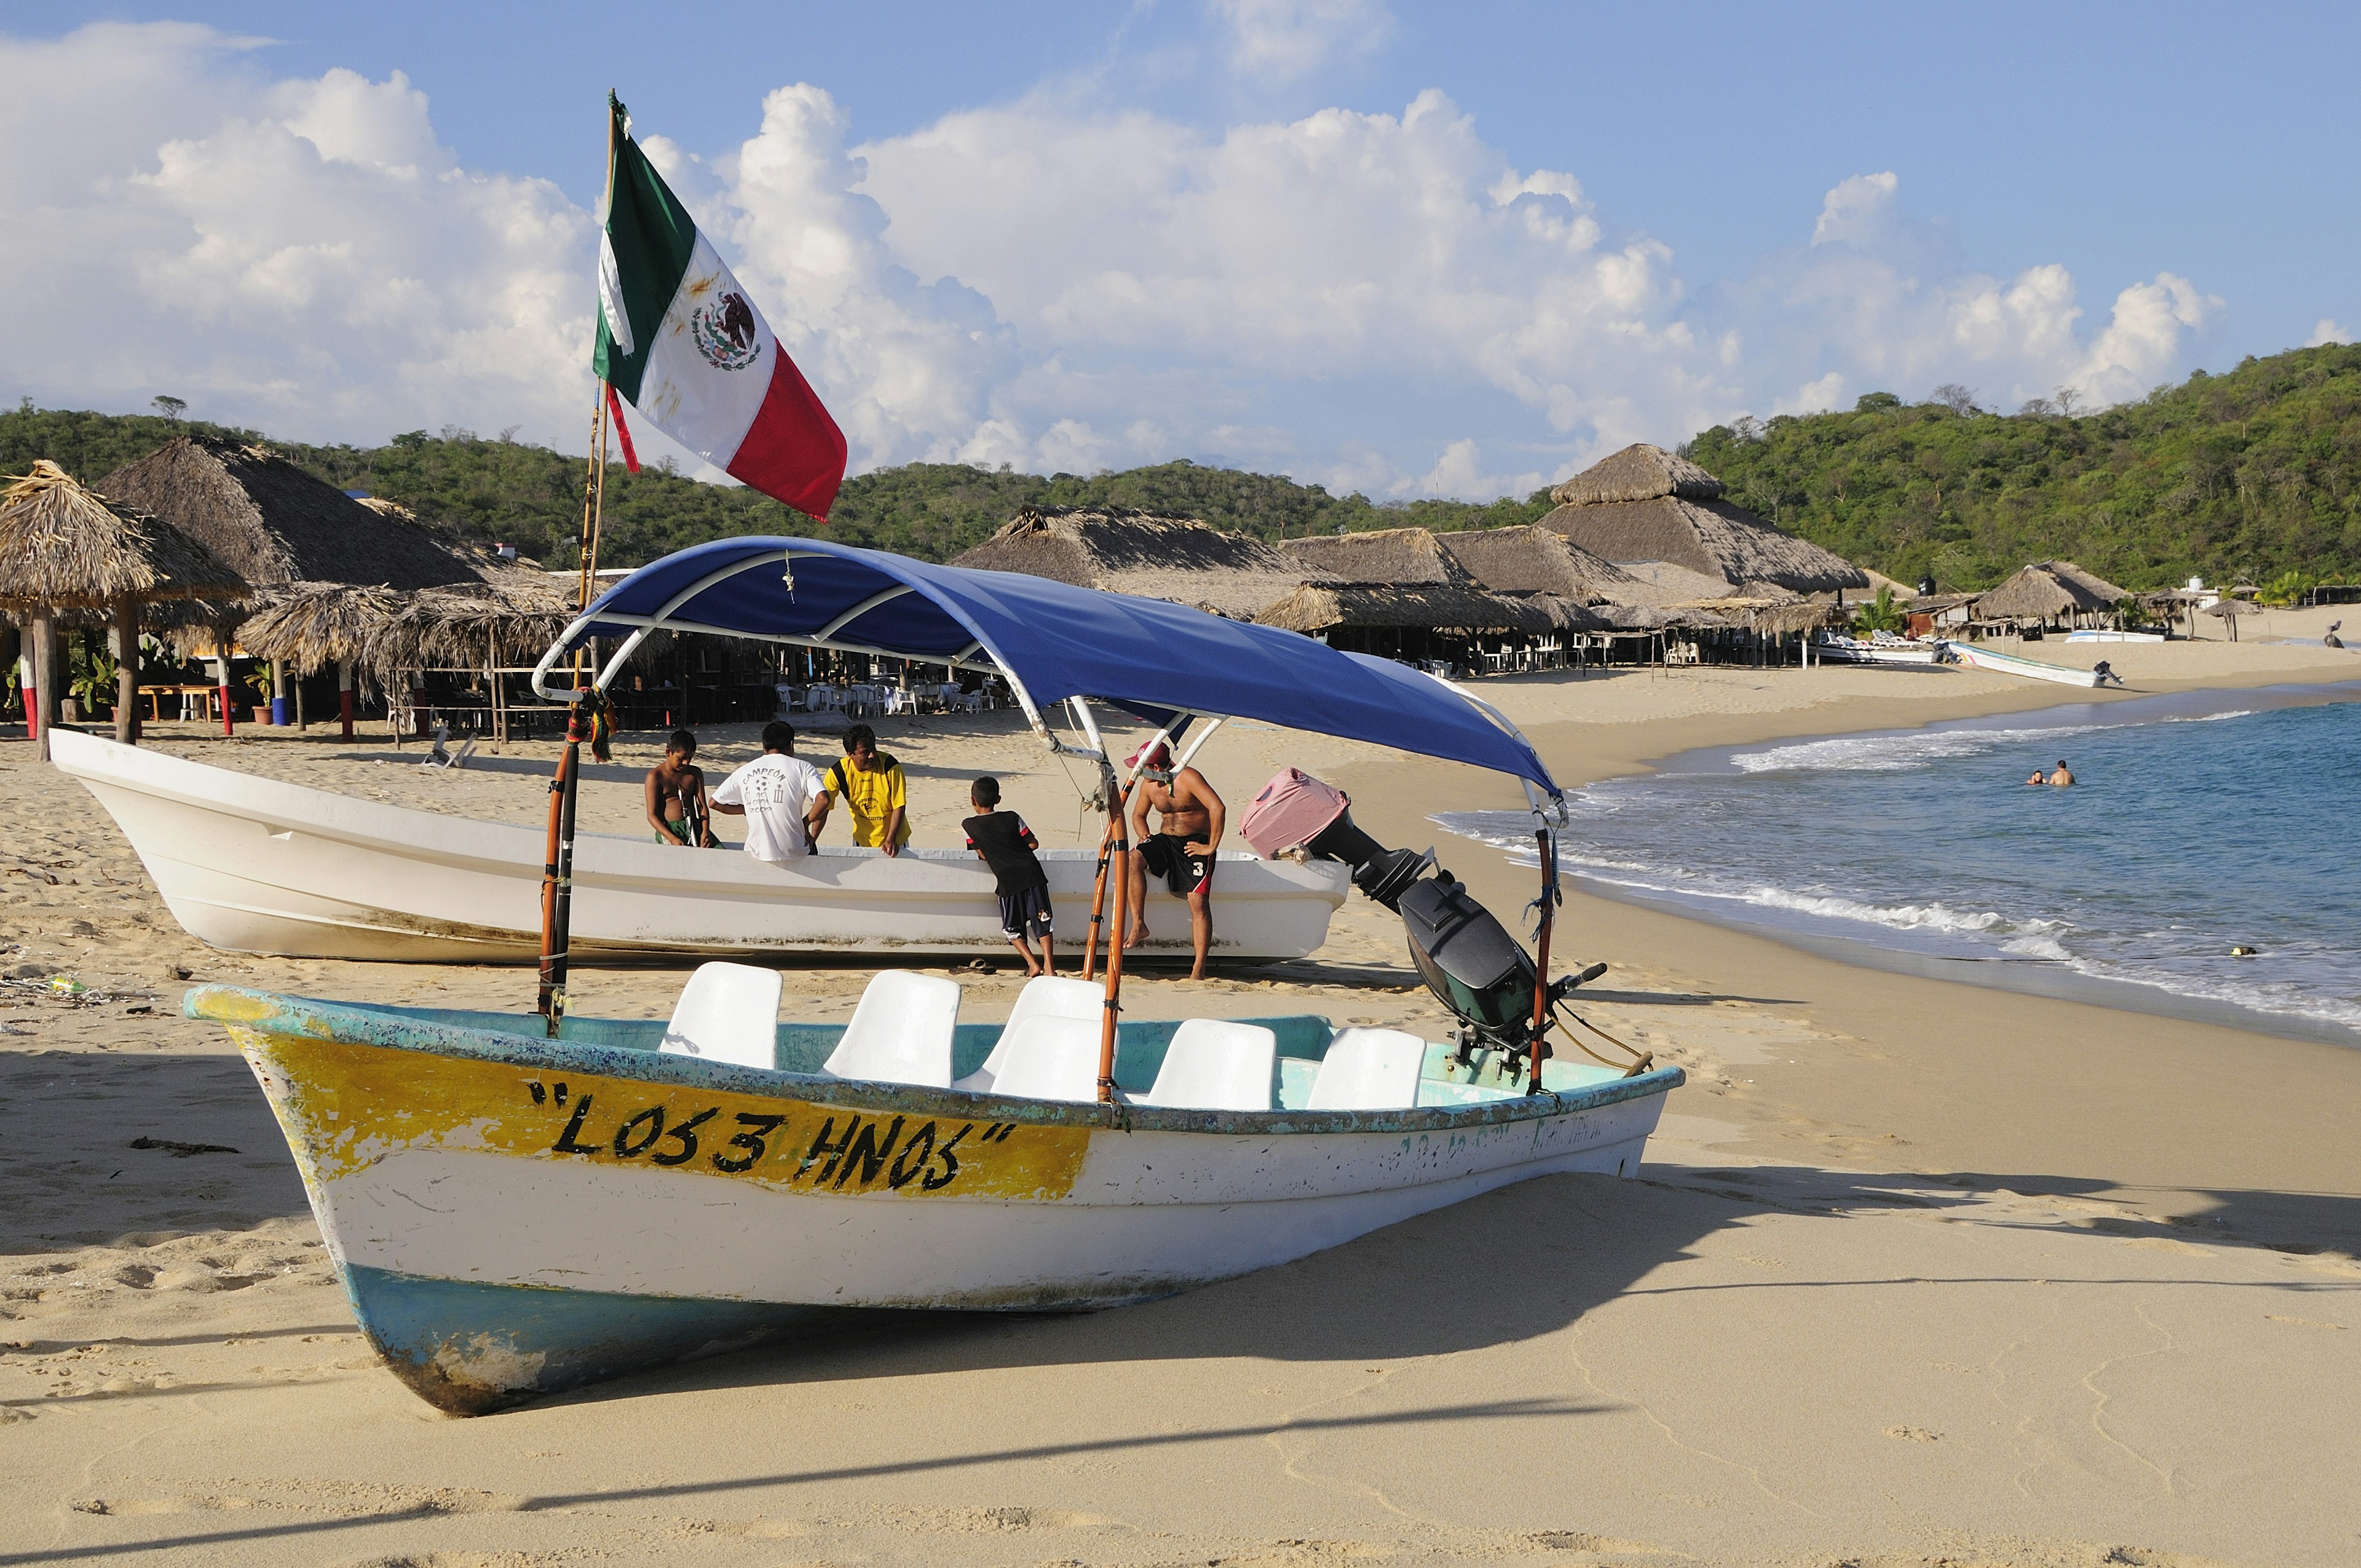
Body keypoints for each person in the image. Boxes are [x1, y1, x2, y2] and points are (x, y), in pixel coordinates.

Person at [1125, 739, 1225, 981]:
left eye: (1142, 767)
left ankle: (1198, 968)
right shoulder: (1148, 786)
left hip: (1194, 843)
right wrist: (1143, 834)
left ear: (1157, 768)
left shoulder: (1188, 777)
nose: (1138, 772)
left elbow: (1218, 808)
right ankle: (1139, 924)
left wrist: (1210, 846)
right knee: (1132, 859)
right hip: (1166, 840)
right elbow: (1138, 815)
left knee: (1198, 902)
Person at [963, 775, 1054, 975]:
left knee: (1012, 929)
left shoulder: (968, 825)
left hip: (1007, 880)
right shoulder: (1012, 817)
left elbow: (983, 856)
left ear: (972, 800)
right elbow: (1033, 844)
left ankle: (1033, 964)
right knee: (1043, 921)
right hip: (1033, 874)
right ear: (998, 799)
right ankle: (1049, 967)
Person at [710, 721, 827, 865]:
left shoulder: (744, 770)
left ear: (764, 747)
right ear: (791, 744)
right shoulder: (803, 768)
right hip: (794, 851)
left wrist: (747, 808)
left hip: (756, 852)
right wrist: (804, 823)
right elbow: (823, 800)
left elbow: (714, 803)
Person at [815, 723, 911, 857]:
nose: (872, 756)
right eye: (865, 753)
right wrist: (812, 840)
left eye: (874, 749)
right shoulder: (839, 772)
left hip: (896, 842)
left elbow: (899, 806)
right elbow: (823, 807)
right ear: (850, 754)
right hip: (862, 842)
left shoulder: (890, 766)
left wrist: (891, 839)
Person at [643, 729, 715, 847]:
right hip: (669, 830)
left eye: (690, 758)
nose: (686, 763)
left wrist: (705, 831)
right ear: (668, 753)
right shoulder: (655, 776)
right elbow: (652, 815)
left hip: (694, 827)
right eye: (682, 758)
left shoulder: (695, 774)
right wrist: (672, 838)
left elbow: (702, 806)